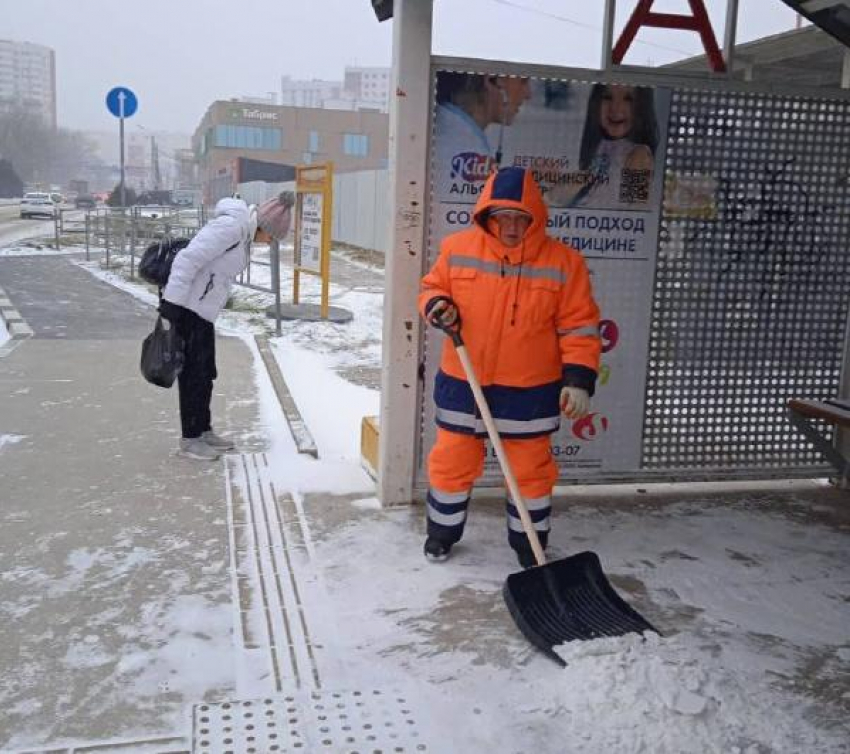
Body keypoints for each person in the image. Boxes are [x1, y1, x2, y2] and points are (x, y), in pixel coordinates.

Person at [419, 166, 601, 568]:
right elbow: (432, 288)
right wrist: (437, 306)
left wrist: (579, 379)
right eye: (503, 216)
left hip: (529, 390)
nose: (513, 226)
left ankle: (529, 545)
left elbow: (580, 326)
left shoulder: (564, 262)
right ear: (487, 215)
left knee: (529, 472)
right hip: (464, 382)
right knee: (452, 462)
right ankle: (441, 534)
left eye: (521, 217)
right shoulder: (457, 248)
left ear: (536, 218)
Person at [158, 191, 294, 461]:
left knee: (206, 374)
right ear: (264, 227)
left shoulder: (243, 233)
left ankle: (204, 430)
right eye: (271, 238)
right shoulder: (231, 227)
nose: (269, 244)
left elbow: (216, 271)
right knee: (193, 376)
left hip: (203, 311)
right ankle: (190, 439)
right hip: (187, 309)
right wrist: (171, 306)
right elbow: (188, 259)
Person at [551, 83, 659, 209]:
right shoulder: (599, 147)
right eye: (607, 97)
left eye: (628, 99)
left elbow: (636, 213)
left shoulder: (638, 155)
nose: (615, 108)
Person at [433, 72, 531, 197]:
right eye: (523, 81)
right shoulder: (463, 148)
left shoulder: (453, 131)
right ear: (492, 80)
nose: (528, 94)